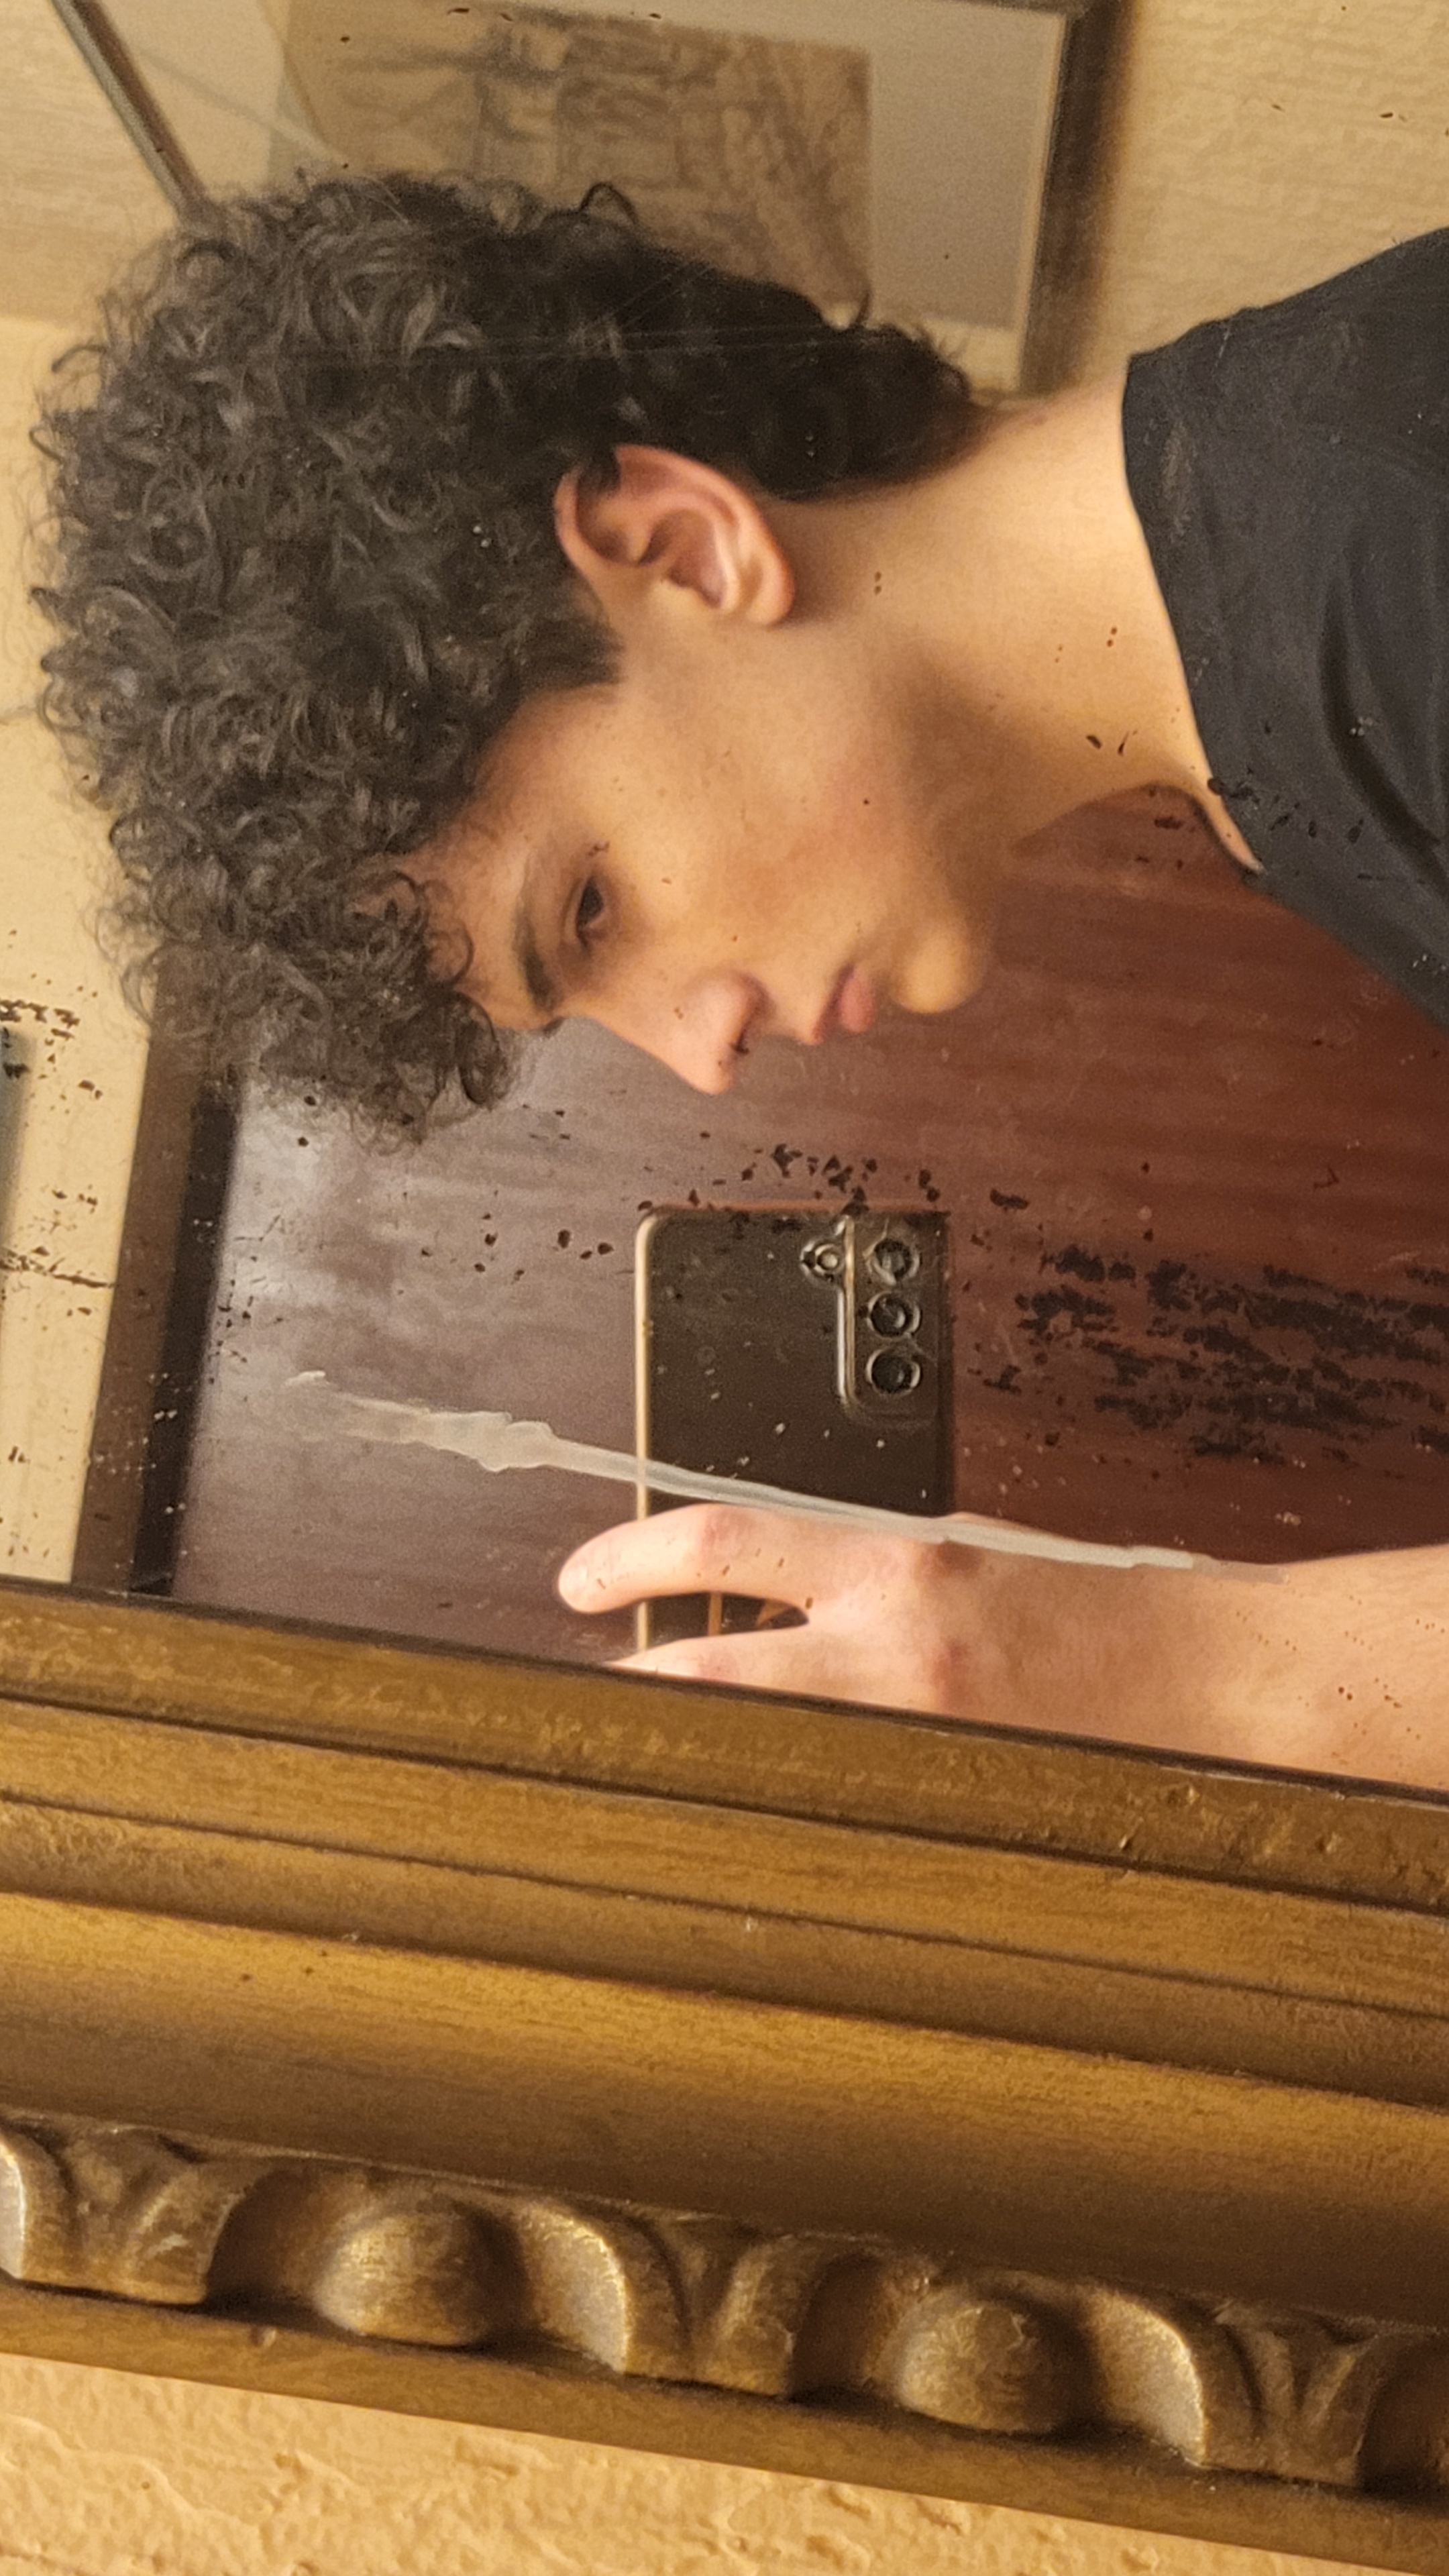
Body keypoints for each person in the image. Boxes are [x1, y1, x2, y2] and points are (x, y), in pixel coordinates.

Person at [33, 176, 1449, 1786]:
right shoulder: (1291, 701)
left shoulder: (1398, 563)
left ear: (684, 550)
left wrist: (1147, 1664)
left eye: (591, 911)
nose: (702, 1056)